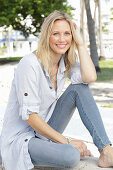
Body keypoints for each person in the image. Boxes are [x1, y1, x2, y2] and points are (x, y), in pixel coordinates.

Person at [0, 10, 113, 170]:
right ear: (47, 36)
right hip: (21, 138)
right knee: (70, 155)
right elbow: (30, 117)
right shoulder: (29, 64)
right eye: (56, 34)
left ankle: (106, 150)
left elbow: (89, 77)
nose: (62, 39)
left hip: (43, 132)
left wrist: (80, 43)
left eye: (67, 33)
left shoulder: (64, 62)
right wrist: (67, 141)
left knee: (79, 88)